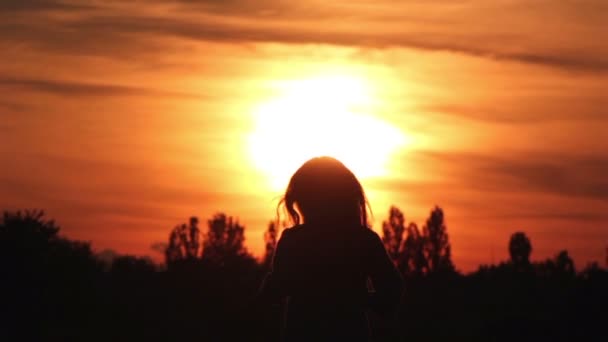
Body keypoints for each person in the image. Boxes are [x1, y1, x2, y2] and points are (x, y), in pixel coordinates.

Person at [260, 156, 403, 341]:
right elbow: (392, 288)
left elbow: (276, 290)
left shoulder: (294, 240)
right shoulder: (363, 240)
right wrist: (361, 300)